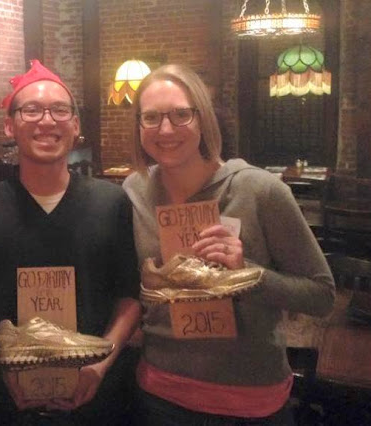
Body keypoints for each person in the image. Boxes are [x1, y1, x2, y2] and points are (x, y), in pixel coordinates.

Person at [122, 64, 336, 425]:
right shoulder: (135, 191)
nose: (166, 129)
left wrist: (247, 273)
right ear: (139, 126)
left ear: (203, 118)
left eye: (181, 114)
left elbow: (322, 295)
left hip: (249, 401)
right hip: (160, 391)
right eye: (152, 117)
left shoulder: (260, 191)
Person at [0, 59, 141, 425]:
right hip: (5, 398)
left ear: (76, 125)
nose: (47, 120)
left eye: (59, 110)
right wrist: (4, 358)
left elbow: (130, 294)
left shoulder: (112, 202)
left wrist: (101, 365)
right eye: (32, 110)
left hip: (100, 395)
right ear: (10, 125)